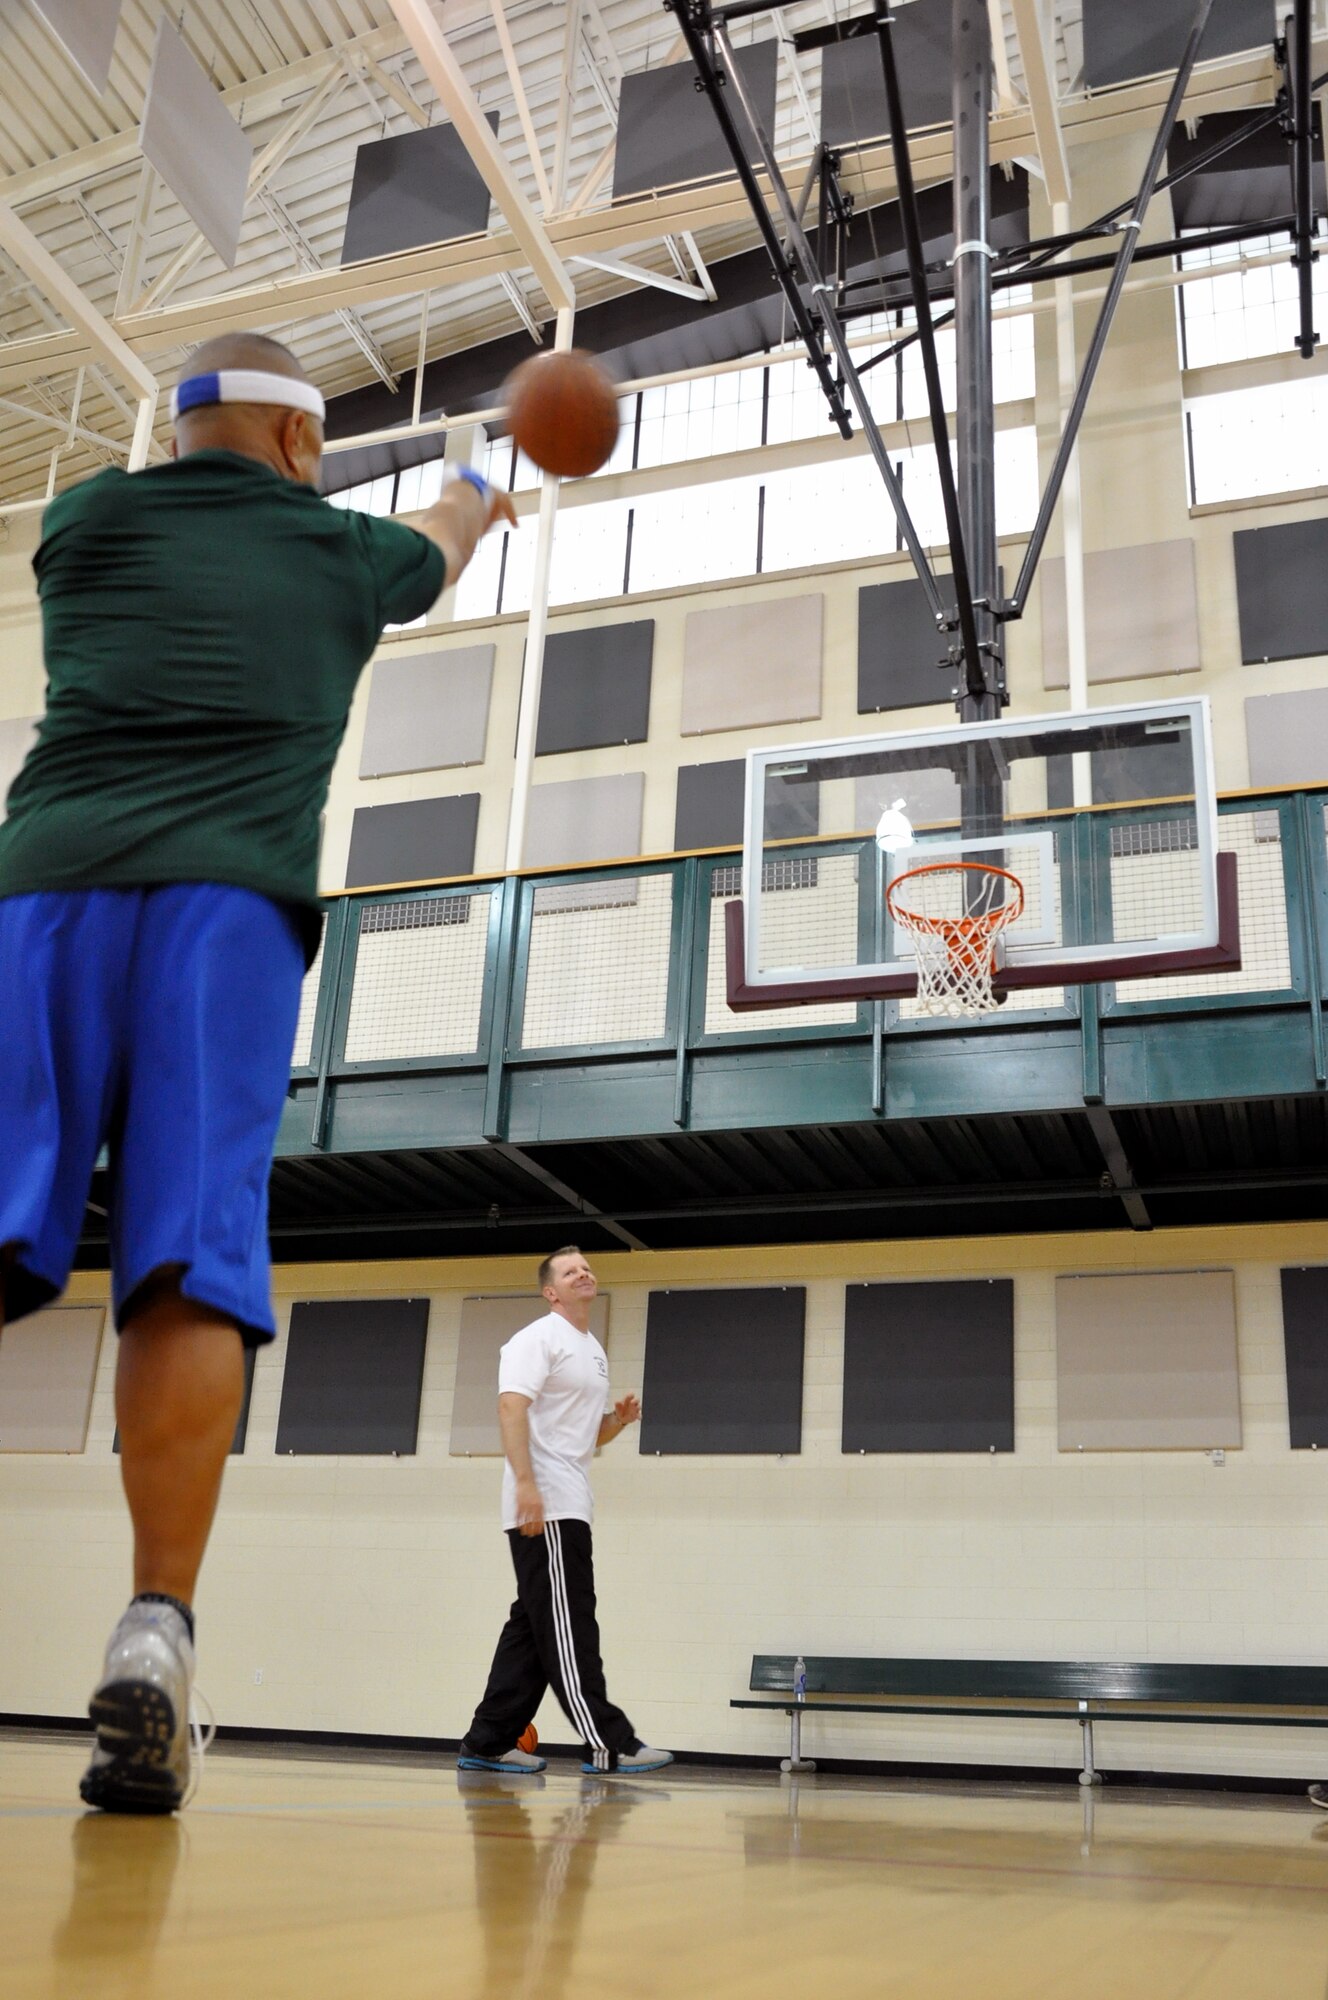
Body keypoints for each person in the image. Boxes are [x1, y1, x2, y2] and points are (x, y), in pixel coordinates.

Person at [0, 330, 514, 1814]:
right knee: (187, 1265)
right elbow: (442, 533)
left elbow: (175, 475)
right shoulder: (347, 558)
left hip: (43, 897)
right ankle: (158, 1627)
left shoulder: (83, 522)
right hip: (225, 918)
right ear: (303, 446)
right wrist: (486, 476)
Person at [457, 1246, 672, 1777]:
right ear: (550, 1291)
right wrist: (526, 1484)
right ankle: (610, 1742)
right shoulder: (536, 1338)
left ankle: (487, 1742)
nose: (583, 1273)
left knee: (532, 1628)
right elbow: (511, 1407)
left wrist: (616, 1422)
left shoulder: (591, 1348)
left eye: (586, 1268)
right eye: (569, 1271)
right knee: (570, 1624)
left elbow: (582, 1436)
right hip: (546, 1501)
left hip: (570, 1499)